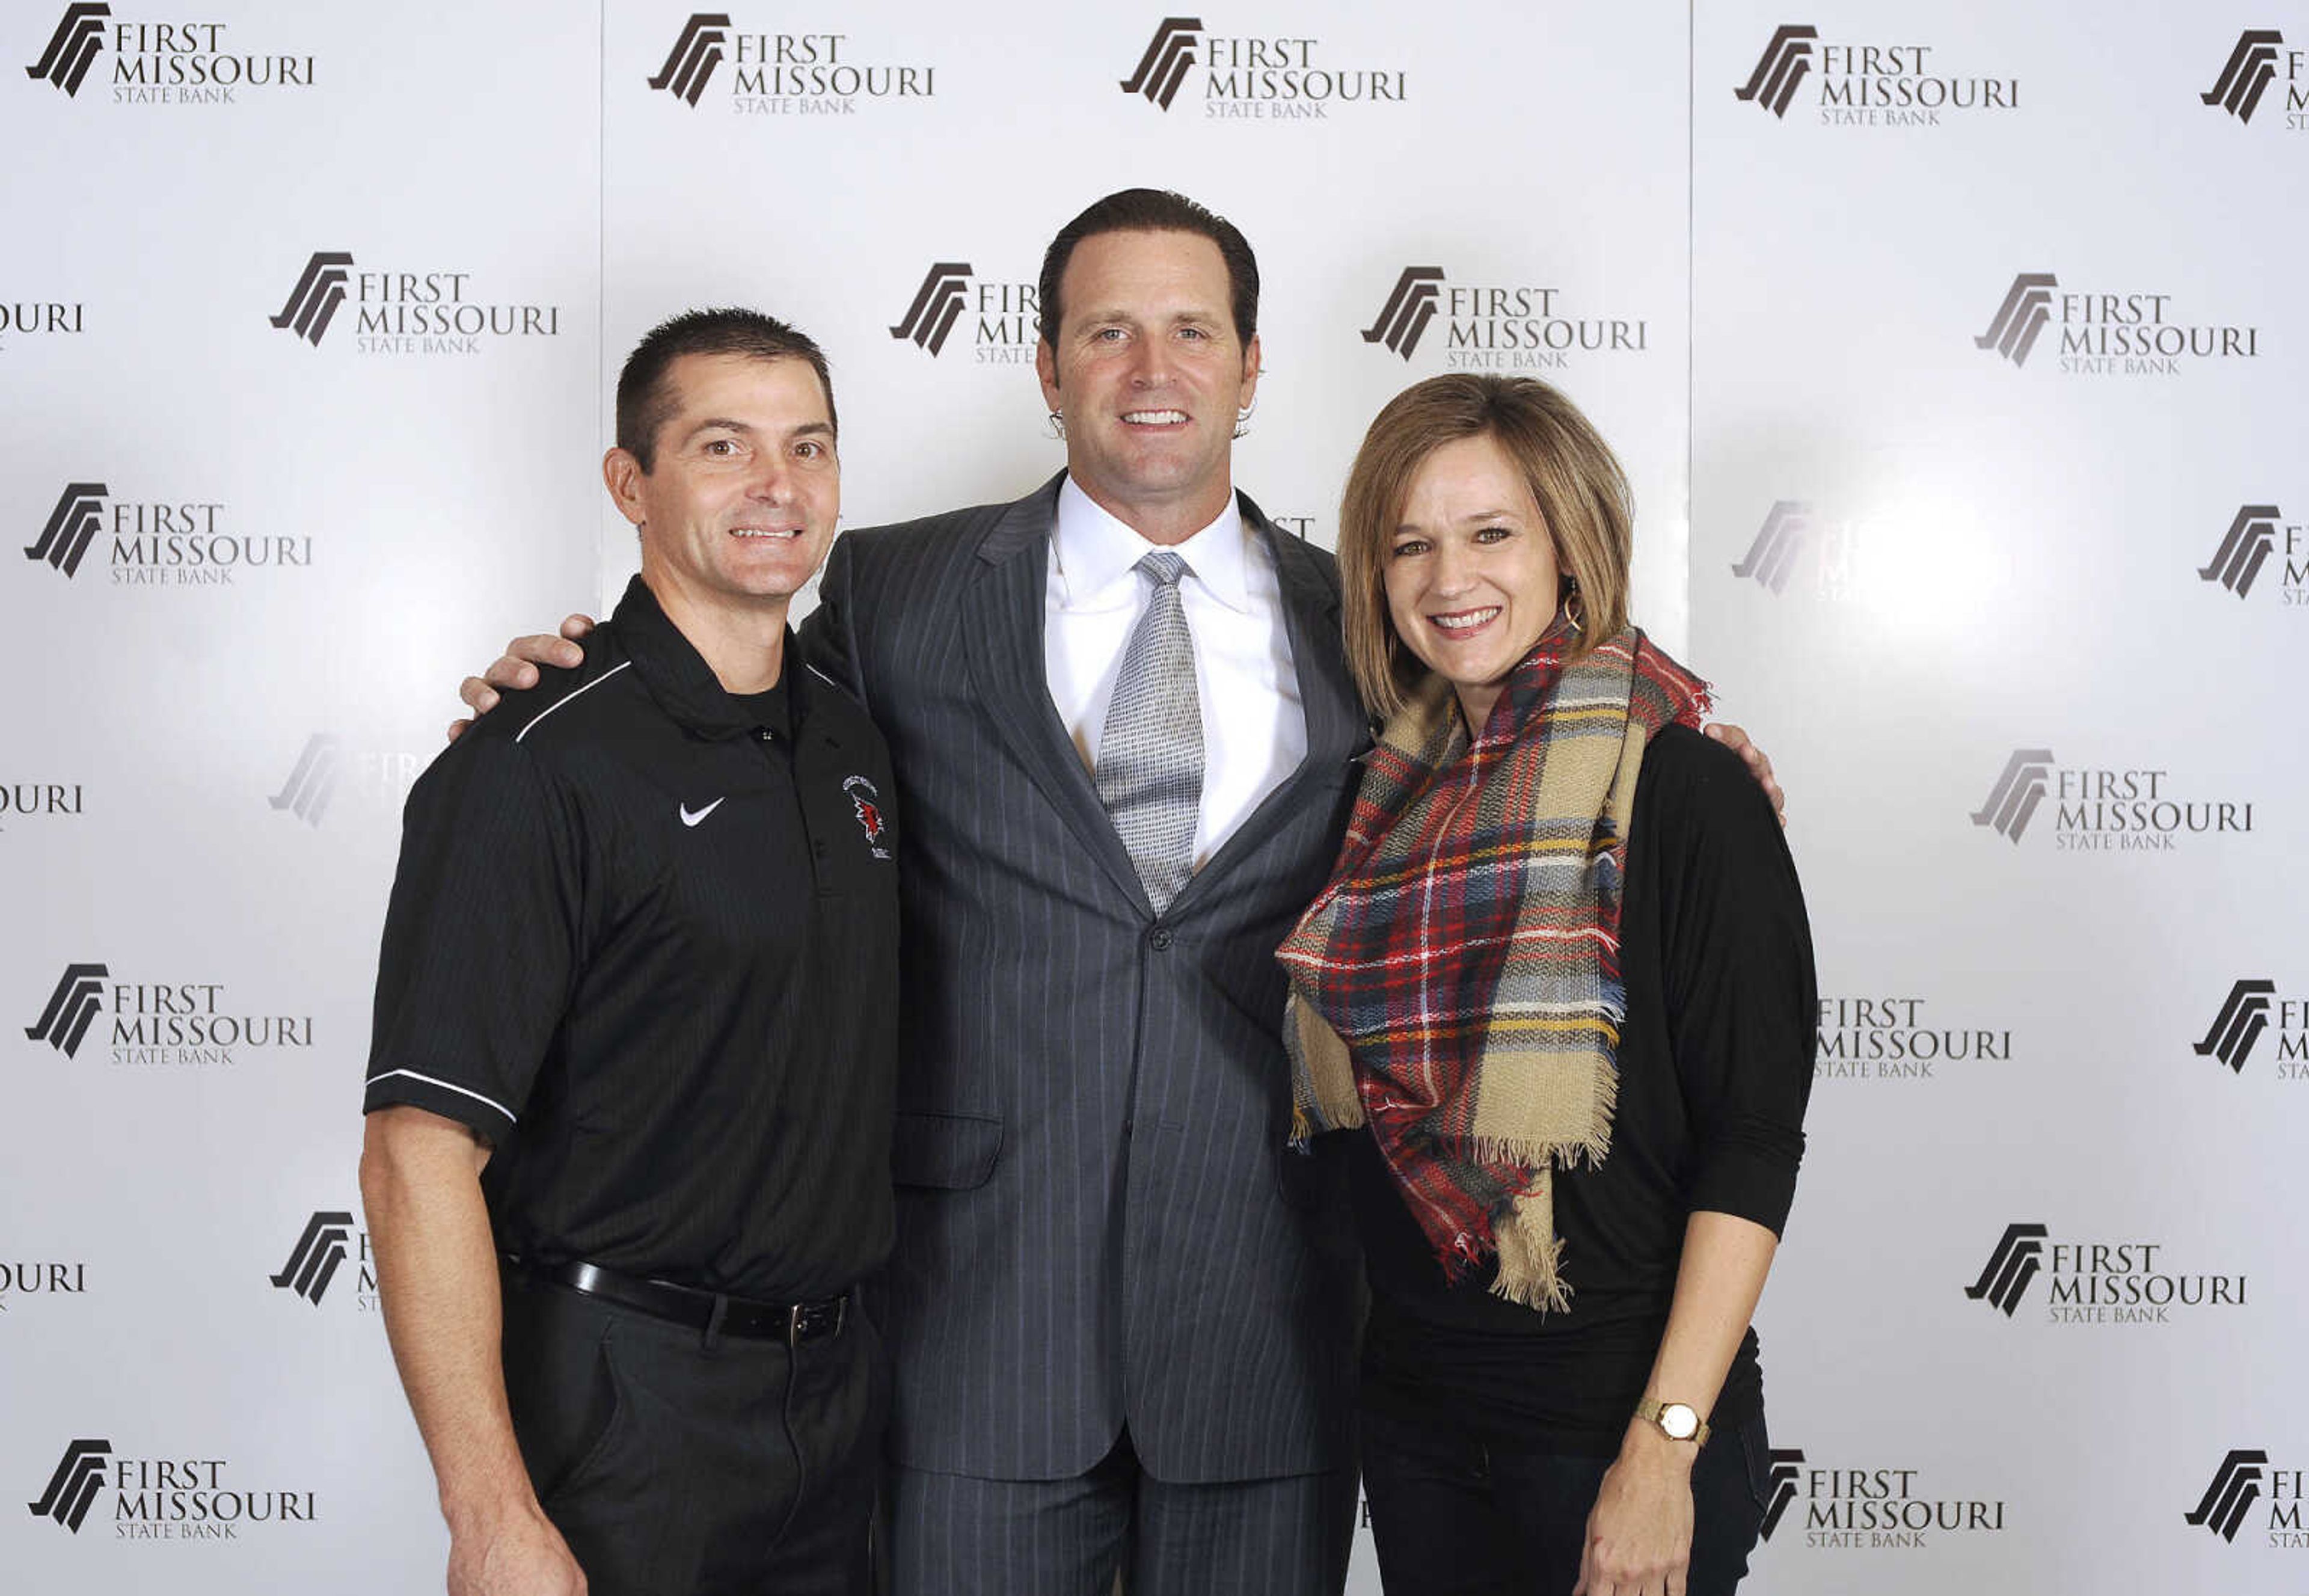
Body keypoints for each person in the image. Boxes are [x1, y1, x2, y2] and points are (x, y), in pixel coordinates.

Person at [457, 192, 1788, 1596]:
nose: (1153, 372)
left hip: (1267, 1332)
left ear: (1252, 368)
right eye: (1109, 332)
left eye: (1192, 331)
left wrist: (1682, 754)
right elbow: (738, 715)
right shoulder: (896, 592)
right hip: (977, 1339)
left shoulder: (1376, 624)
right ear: (1047, 369)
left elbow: (1531, 758)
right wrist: (577, 688)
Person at [360, 308, 898, 1596]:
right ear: (630, 484)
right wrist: (490, 1515)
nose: (779, 485)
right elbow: (415, 1153)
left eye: (809, 447)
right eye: (724, 445)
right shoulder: (532, 763)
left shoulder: (853, 741)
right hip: (623, 1407)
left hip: (839, 1409)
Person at [1275, 373, 1814, 1596]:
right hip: (1420, 1424)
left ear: (1572, 544)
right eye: (1409, 543)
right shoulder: (1385, 795)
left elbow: (1751, 1144)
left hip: (1612, 1433)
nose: (1448, 577)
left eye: (1491, 533)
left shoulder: (1688, 793)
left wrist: (1662, 1452)